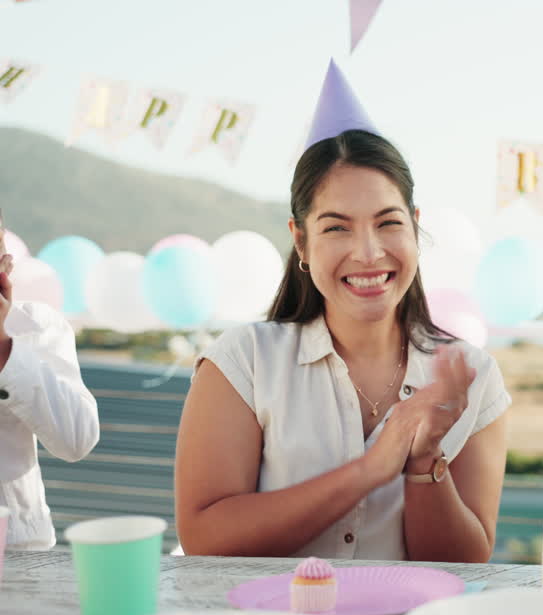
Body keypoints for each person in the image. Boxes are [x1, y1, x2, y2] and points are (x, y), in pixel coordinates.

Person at [175, 61, 510, 561]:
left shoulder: (474, 377)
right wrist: (366, 472)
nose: (369, 252)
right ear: (301, 241)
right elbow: (204, 539)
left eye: (388, 222)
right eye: (336, 227)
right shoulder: (244, 361)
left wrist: (422, 465)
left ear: (415, 227)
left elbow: (465, 562)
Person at [0, 211, 100, 550]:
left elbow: (77, 439)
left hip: (16, 551)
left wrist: (5, 352)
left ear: (6, 265)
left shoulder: (37, 327)